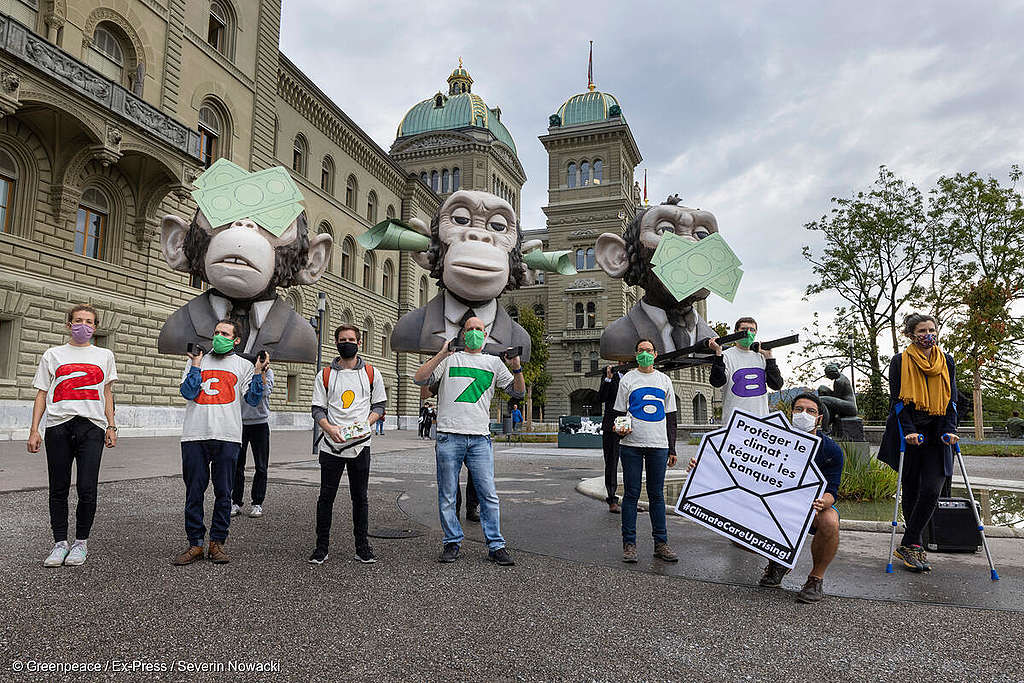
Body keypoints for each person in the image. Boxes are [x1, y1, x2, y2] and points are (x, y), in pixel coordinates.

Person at [414, 316, 525, 566]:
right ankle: (451, 542)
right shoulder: (450, 359)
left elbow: (518, 393)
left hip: (479, 438)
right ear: (463, 334)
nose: (474, 333)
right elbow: (420, 379)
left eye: (479, 329)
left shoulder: (494, 363)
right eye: (469, 329)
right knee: (448, 494)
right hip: (448, 436)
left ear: (485, 335)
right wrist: (441, 353)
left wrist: (516, 367)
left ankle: (496, 545)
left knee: (488, 495)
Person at [28, 304, 118, 568]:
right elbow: (42, 393)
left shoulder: (104, 355)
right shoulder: (53, 354)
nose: (83, 325)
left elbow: (108, 393)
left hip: (92, 427)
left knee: (87, 487)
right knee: (58, 487)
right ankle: (59, 543)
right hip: (58, 425)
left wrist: (111, 426)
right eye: (78, 320)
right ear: (69, 324)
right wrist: (34, 430)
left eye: (88, 321)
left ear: (95, 327)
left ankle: (80, 543)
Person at [173, 320, 268, 566]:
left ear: (236, 340)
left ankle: (217, 543)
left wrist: (259, 370)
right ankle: (195, 544)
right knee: (194, 492)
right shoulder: (197, 360)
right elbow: (189, 392)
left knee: (224, 493)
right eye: (216, 332)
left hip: (228, 436)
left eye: (225, 333)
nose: (218, 336)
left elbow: (254, 398)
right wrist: (195, 363)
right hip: (195, 436)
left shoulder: (243, 365)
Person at [878, 313, 958, 573]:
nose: (928, 335)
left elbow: (951, 398)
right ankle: (915, 546)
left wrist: (949, 428)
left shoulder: (946, 361)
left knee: (933, 488)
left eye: (931, 330)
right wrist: (909, 431)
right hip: (908, 431)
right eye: (922, 331)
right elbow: (898, 400)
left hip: (937, 433)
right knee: (911, 489)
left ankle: (909, 542)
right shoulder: (900, 361)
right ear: (911, 335)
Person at [308, 325, 387, 565]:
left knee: (360, 498)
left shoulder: (372, 373)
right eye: (342, 339)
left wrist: (366, 424)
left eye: (351, 339)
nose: (347, 343)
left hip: (360, 445)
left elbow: (379, 406)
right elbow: (317, 409)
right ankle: (321, 547)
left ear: (359, 343)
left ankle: (362, 547)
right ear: (336, 343)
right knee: (325, 497)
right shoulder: (325, 375)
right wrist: (329, 428)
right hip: (331, 445)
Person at [756, 393, 843, 603]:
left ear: (819, 418)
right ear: (791, 413)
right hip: (776, 504)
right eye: (799, 409)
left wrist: (824, 502)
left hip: (812, 508)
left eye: (811, 411)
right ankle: (778, 560)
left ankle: (815, 579)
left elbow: (832, 491)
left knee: (830, 521)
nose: (804, 414)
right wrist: (703, 464)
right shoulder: (773, 440)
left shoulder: (831, 449)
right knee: (736, 528)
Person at [611, 339, 679, 564]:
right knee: (631, 494)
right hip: (631, 445)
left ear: (656, 354)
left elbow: (671, 418)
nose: (645, 354)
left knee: (657, 495)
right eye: (641, 351)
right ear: (635, 354)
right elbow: (619, 412)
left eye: (648, 351)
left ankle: (661, 543)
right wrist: (618, 429)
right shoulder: (628, 379)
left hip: (658, 446)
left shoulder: (664, 380)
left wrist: (672, 447)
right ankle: (629, 544)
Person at [709, 317, 784, 425]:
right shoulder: (726, 356)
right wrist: (718, 354)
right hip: (734, 422)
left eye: (752, 330)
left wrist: (769, 358)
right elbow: (717, 382)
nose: (748, 333)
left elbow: (776, 385)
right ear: (735, 332)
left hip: (761, 421)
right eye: (744, 329)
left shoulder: (762, 357)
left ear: (756, 332)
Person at [231, 364, 275, 519]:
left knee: (261, 467)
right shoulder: (242, 370)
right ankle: (235, 502)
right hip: (241, 423)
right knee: (237, 466)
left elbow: (265, 392)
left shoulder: (268, 373)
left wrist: (261, 372)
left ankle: (257, 503)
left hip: (260, 424)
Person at [598, 365, 623, 513]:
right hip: (612, 425)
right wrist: (608, 378)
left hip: (632, 424)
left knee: (632, 463)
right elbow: (601, 397)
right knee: (612, 462)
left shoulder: (637, 374)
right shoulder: (609, 373)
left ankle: (632, 499)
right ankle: (612, 498)